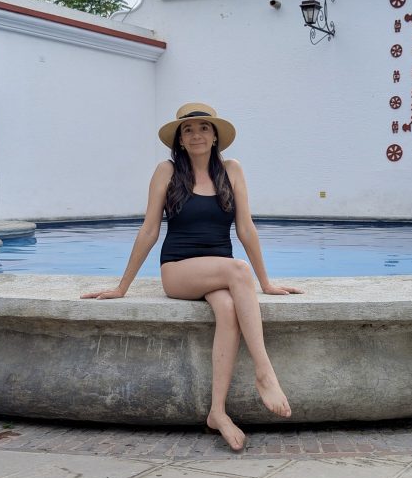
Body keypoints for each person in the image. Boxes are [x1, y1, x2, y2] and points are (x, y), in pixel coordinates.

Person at [80, 102, 301, 451]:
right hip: (179, 270)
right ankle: (264, 371)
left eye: (203, 128)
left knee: (228, 310)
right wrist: (122, 287)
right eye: (188, 129)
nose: (196, 134)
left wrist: (267, 284)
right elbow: (150, 230)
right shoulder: (166, 171)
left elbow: (246, 228)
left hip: (219, 272)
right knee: (237, 270)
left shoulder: (233, 170)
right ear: (180, 140)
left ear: (215, 136)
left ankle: (217, 413)